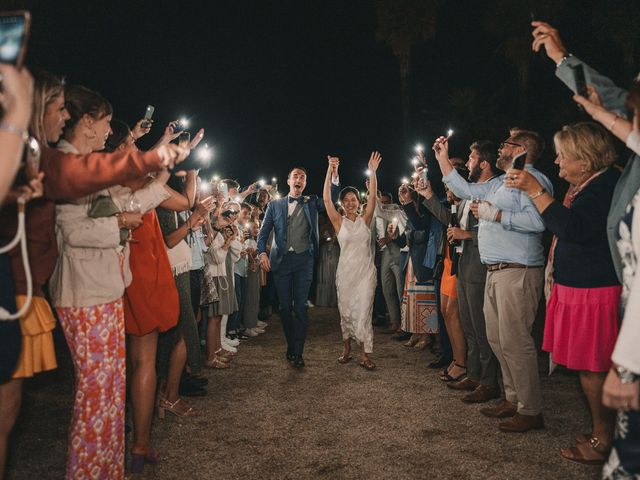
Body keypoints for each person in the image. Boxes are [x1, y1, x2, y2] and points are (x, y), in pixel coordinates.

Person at [509, 122, 621, 463]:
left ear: (584, 162)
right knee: (589, 369)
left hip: (594, 291)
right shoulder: (588, 186)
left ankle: (603, 440)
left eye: (563, 157)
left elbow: (573, 229)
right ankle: (602, 431)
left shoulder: (603, 188)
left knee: (594, 369)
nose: (556, 163)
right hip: (579, 288)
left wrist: (533, 190)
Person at [434, 129, 553, 433]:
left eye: (505, 145)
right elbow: (465, 189)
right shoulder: (501, 181)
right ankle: (512, 400)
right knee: (499, 341)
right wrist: (443, 161)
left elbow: (540, 221)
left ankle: (531, 409)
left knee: (516, 341)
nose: (499, 149)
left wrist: (498, 216)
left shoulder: (533, 179)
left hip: (518, 269)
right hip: (495, 270)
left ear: (522, 149)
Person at [257, 163, 340, 368]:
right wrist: (261, 253)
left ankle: (298, 352)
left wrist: (334, 176)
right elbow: (264, 232)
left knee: (300, 307)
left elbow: (330, 199)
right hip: (281, 261)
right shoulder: (274, 205)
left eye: (302, 177)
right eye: (295, 176)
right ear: (288, 181)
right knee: (285, 308)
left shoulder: (311, 202)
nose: (298, 180)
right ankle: (291, 344)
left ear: (305, 183)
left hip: (304, 260)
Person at [323, 153, 381, 369]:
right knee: (346, 311)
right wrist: (330, 170)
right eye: (346, 200)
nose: (349, 203)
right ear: (343, 203)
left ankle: (364, 354)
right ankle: (346, 348)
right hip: (346, 274)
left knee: (364, 310)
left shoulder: (366, 219)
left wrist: (373, 172)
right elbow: (327, 199)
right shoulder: (339, 222)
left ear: (359, 202)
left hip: (365, 273)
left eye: (353, 200)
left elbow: (373, 197)